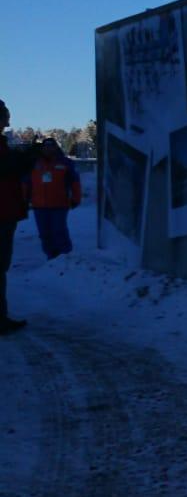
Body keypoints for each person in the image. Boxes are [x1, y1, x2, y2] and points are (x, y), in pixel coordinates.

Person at [0, 100, 39, 333]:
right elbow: (6, 168)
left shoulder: (4, 147)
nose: (8, 121)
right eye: (5, 116)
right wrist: (24, 160)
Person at [26, 137, 81, 260]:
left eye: (51, 146)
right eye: (46, 147)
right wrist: (24, 198)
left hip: (59, 204)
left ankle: (65, 257)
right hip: (39, 206)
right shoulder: (34, 163)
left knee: (59, 231)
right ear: (42, 149)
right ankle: (51, 258)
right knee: (44, 233)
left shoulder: (66, 163)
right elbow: (26, 182)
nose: (48, 149)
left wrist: (76, 198)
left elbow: (75, 182)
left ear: (56, 148)